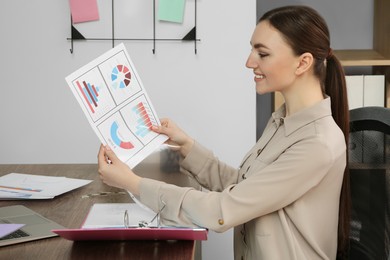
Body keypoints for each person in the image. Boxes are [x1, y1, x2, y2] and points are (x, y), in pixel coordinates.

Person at [98, 5, 350, 260]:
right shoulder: (282, 121)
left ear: (303, 63)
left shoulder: (317, 143)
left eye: (262, 54)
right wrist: (186, 146)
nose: (249, 62)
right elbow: (244, 188)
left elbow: (223, 210)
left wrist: (133, 183)